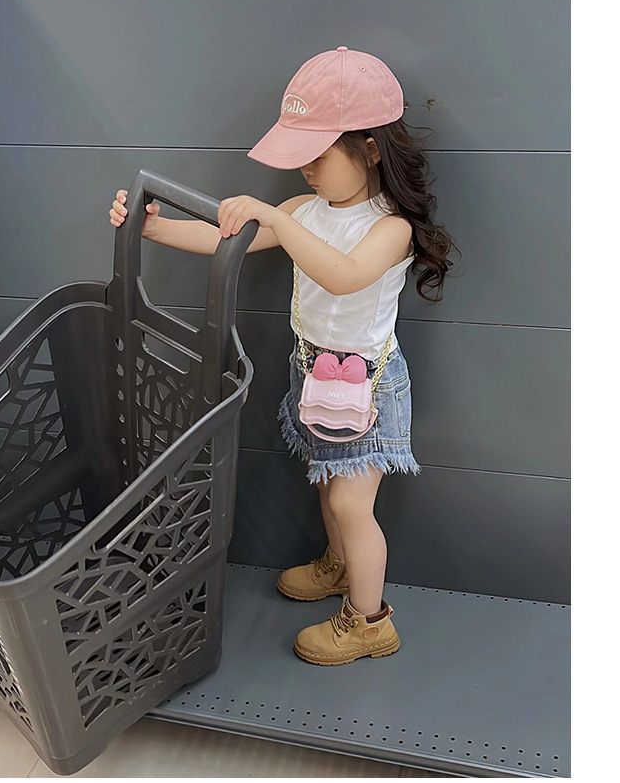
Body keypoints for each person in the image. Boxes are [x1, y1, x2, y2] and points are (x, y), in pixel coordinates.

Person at [109, 46, 457, 666]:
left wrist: (277, 217)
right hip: (315, 372)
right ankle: (340, 565)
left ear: (370, 150)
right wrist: (152, 227)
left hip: (369, 385)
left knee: (351, 502)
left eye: (318, 156)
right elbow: (227, 238)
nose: (306, 171)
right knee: (326, 485)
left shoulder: (391, 228)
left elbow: (344, 276)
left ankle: (370, 622)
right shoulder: (305, 210)